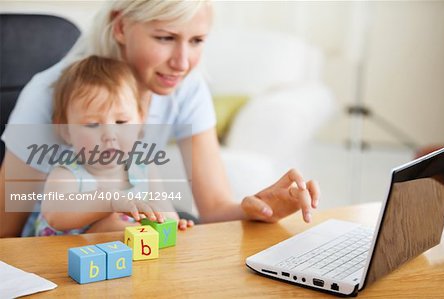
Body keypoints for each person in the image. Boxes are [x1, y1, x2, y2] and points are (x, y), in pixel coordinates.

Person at [1, 0, 320, 238]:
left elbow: (213, 209)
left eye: (196, 41)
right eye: (166, 38)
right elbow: (6, 233)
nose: (182, 63)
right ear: (121, 27)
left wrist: (263, 209)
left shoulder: (186, 86)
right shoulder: (47, 94)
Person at [25, 55, 188, 236]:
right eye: (92, 124)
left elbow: (163, 209)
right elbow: (55, 214)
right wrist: (110, 199)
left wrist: (174, 224)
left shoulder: (143, 167)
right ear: (66, 131)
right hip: (64, 258)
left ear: (141, 120)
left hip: (126, 259)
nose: (109, 135)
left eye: (121, 121)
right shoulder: (66, 173)